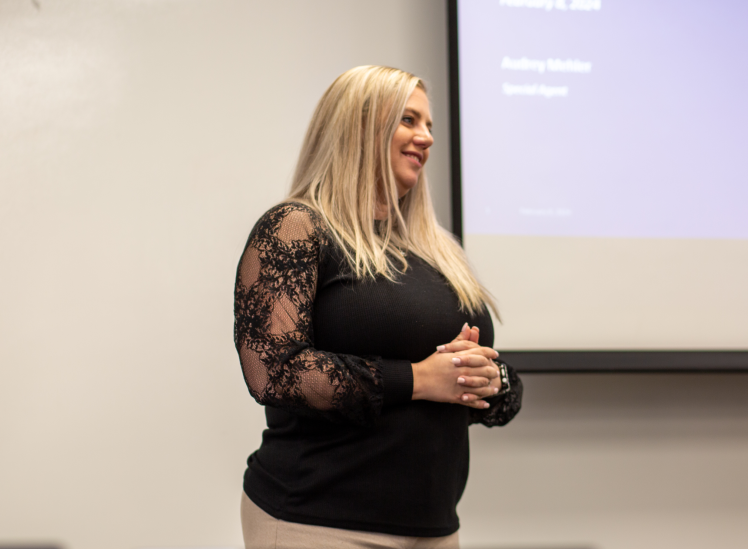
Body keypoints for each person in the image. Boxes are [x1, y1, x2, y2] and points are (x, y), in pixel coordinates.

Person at [234, 65, 522, 549]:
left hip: (433, 526)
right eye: (409, 120)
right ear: (361, 127)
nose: (426, 137)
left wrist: (491, 382)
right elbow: (273, 372)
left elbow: (473, 392)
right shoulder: (296, 227)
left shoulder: (435, 250)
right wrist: (418, 379)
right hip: (317, 521)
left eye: (428, 125)